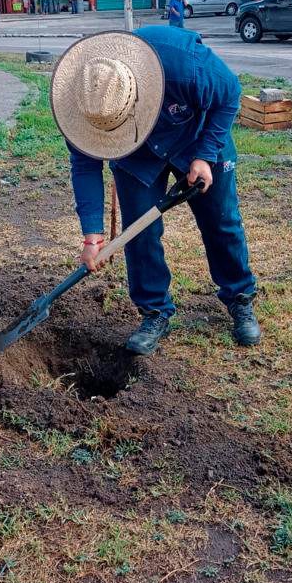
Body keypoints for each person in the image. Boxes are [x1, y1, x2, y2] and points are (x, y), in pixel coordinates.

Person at [51, 26, 260, 356]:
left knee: (221, 222)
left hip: (197, 137)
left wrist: (206, 155)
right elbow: (84, 166)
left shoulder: (184, 63)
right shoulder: (85, 99)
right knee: (140, 233)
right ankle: (154, 312)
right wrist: (92, 236)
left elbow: (229, 93)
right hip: (135, 156)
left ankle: (240, 297)